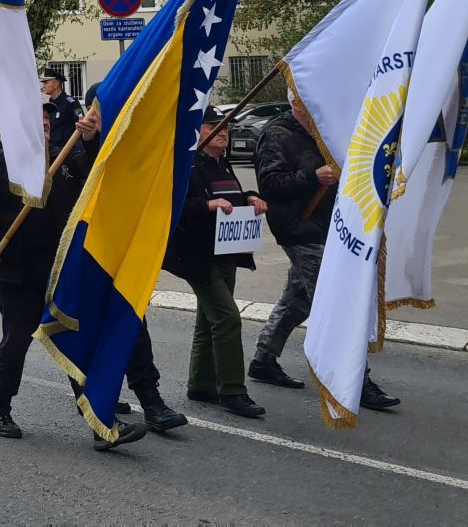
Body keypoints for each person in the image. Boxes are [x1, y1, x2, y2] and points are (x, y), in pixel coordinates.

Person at [0, 104, 161, 448]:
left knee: (74, 342)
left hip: (60, 271)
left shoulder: (63, 160)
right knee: (17, 342)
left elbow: (97, 174)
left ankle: (100, 423)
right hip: (16, 274)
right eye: (37, 122)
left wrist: (92, 141)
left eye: (47, 122)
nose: (44, 127)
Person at [249, 98, 400, 410]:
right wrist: (312, 177)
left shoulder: (326, 131)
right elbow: (270, 183)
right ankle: (356, 381)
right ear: (297, 104)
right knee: (336, 302)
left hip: (330, 225)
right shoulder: (278, 134)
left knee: (298, 299)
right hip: (298, 227)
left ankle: (263, 359)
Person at [166, 108, 268, 418]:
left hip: (228, 252)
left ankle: (201, 383)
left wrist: (250, 196)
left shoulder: (222, 164)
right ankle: (233, 390)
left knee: (208, 319)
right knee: (227, 319)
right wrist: (208, 204)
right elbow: (174, 204)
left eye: (227, 127)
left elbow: (230, 195)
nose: (224, 131)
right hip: (199, 256)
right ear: (199, 132)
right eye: (216, 126)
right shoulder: (189, 165)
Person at [40, 69, 81, 144]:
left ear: (56, 84)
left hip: (69, 150)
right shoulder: (49, 105)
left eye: (46, 83)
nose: (44, 86)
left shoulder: (71, 102)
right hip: (52, 150)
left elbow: (80, 125)